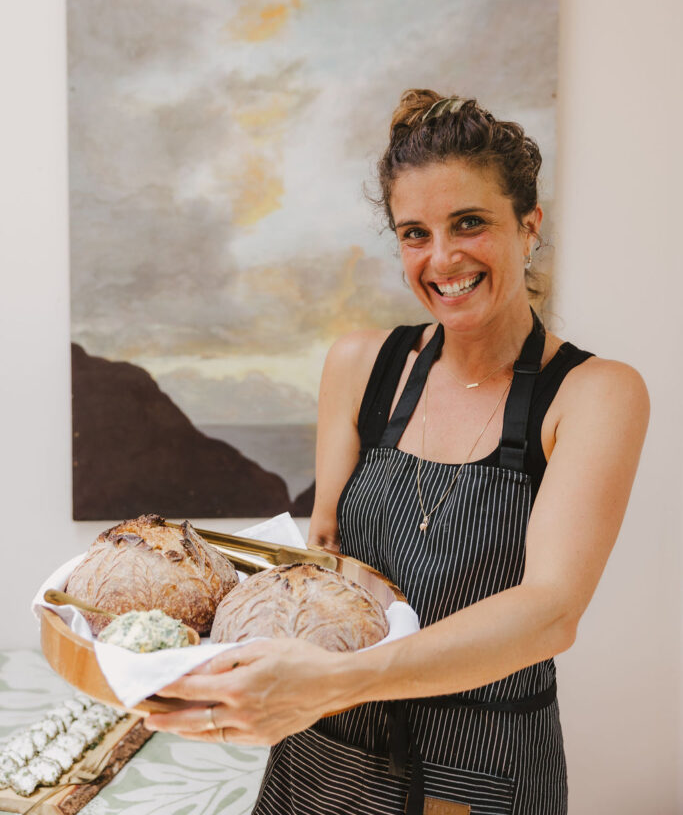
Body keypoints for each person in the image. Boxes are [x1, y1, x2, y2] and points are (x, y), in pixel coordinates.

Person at [145, 90, 650, 815]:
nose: (441, 259)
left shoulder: (595, 394)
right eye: (414, 233)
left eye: (469, 223)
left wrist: (328, 680)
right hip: (320, 751)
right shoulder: (361, 365)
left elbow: (549, 612)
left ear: (528, 227)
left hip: (477, 770)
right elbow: (324, 552)